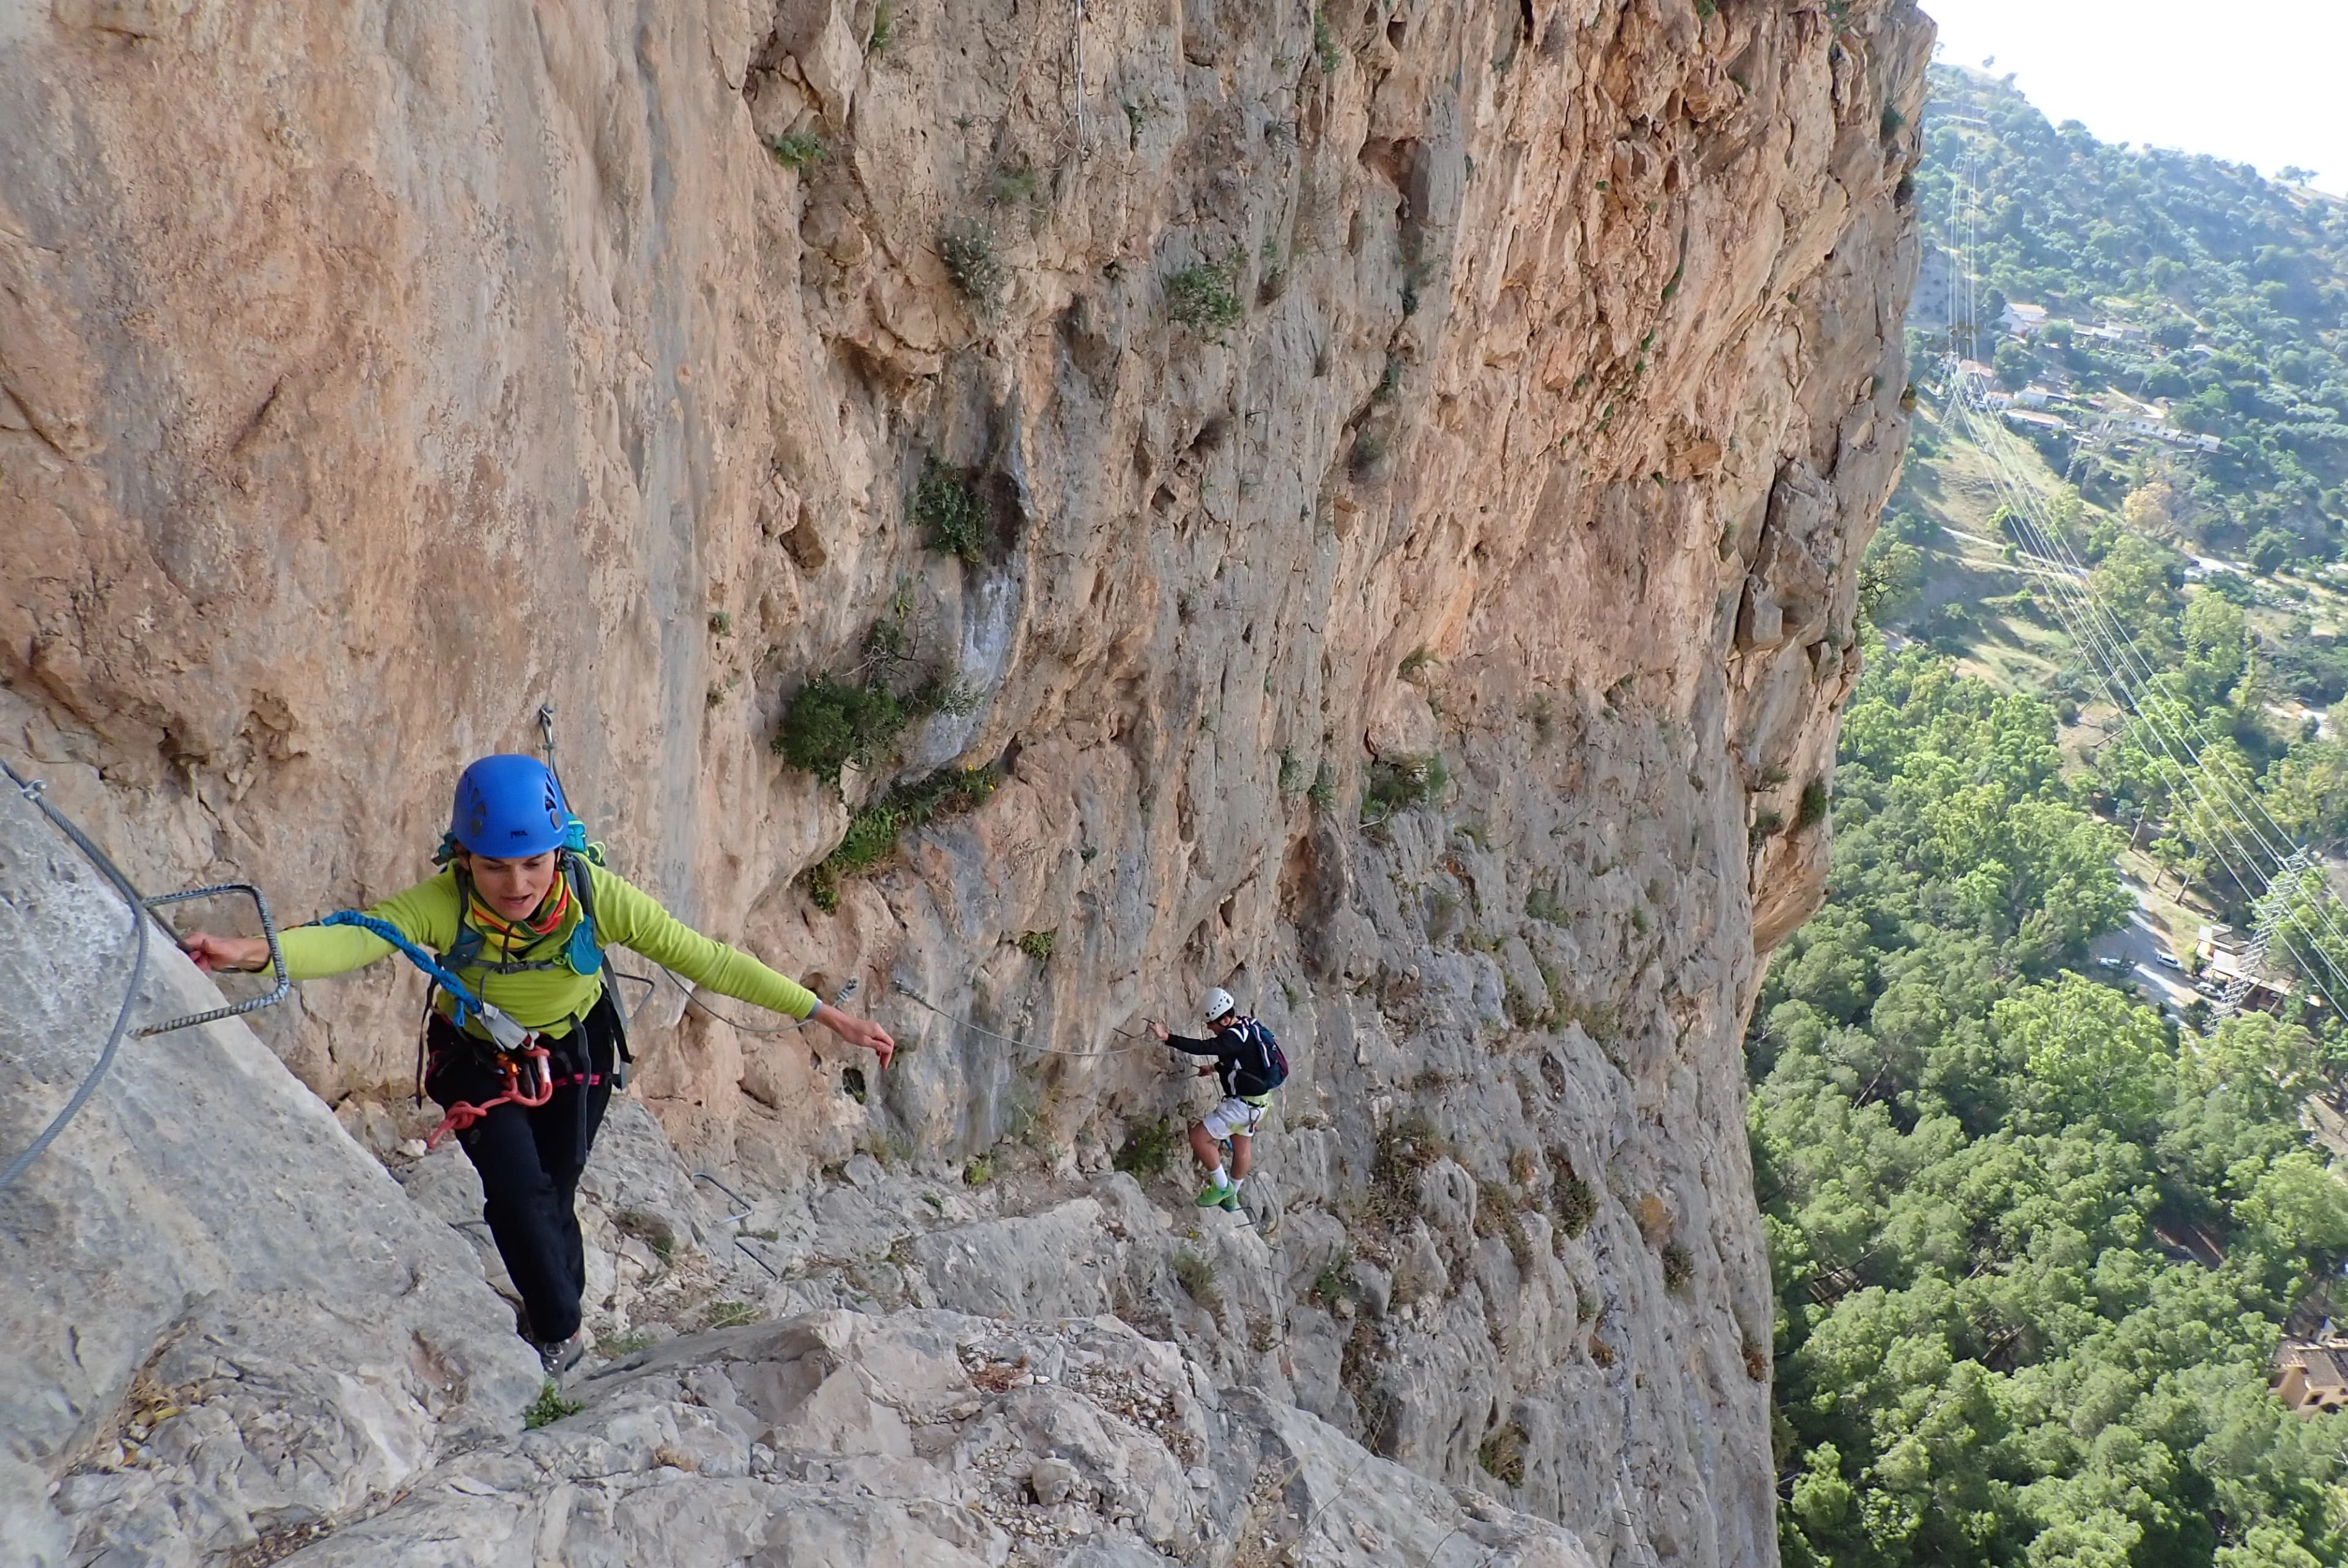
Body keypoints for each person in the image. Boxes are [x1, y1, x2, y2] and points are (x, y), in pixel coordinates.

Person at [180, 754, 895, 1374]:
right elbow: (356, 938)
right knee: (519, 1192)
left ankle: (561, 1308)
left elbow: (709, 960)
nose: (516, 884)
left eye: (533, 863)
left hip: (576, 1049)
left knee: (557, 1189)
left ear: (560, 851)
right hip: (474, 1056)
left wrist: (823, 1013)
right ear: (464, 859)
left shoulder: (594, 897)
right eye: (494, 865)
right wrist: (254, 953)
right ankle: (561, 1334)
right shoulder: (446, 904)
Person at [1150, 986, 1285, 1212]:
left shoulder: (1233, 1037)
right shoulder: (1247, 1025)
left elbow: (1203, 1047)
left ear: (1224, 1020)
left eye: (1211, 1024)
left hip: (1241, 1107)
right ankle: (1232, 1198)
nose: (1209, 1028)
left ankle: (1223, 1188)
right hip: (1259, 1102)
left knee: (1198, 1138)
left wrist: (1167, 1037)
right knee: (1242, 1148)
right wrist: (1214, 1068)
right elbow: (1245, 1061)